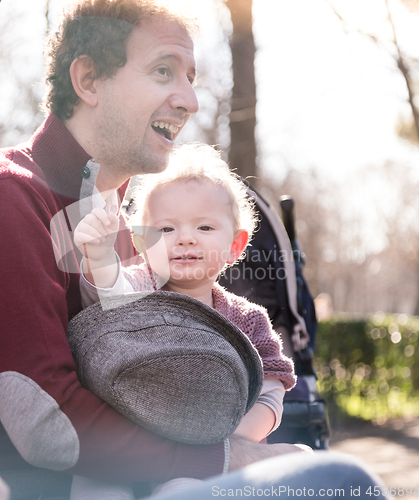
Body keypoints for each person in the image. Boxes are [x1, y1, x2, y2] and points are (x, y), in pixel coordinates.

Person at [0, 0, 391, 498]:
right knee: (346, 483)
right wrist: (230, 458)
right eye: (163, 70)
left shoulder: (128, 234)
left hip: (133, 479)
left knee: (315, 474)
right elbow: (47, 427)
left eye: (191, 76)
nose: (189, 100)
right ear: (88, 81)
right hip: (22, 486)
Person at [71, 142, 298, 499]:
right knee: (94, 485)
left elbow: (270, 391)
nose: (186, 238)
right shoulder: (136, 290)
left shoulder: (247, 320)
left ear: (235, 246)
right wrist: (99, 257)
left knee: (191, 490)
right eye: (165, 230)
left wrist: (229, 440)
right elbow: (109, 296)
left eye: (205, 227)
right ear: (140, 241)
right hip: (132, 440)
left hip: (217, 451)